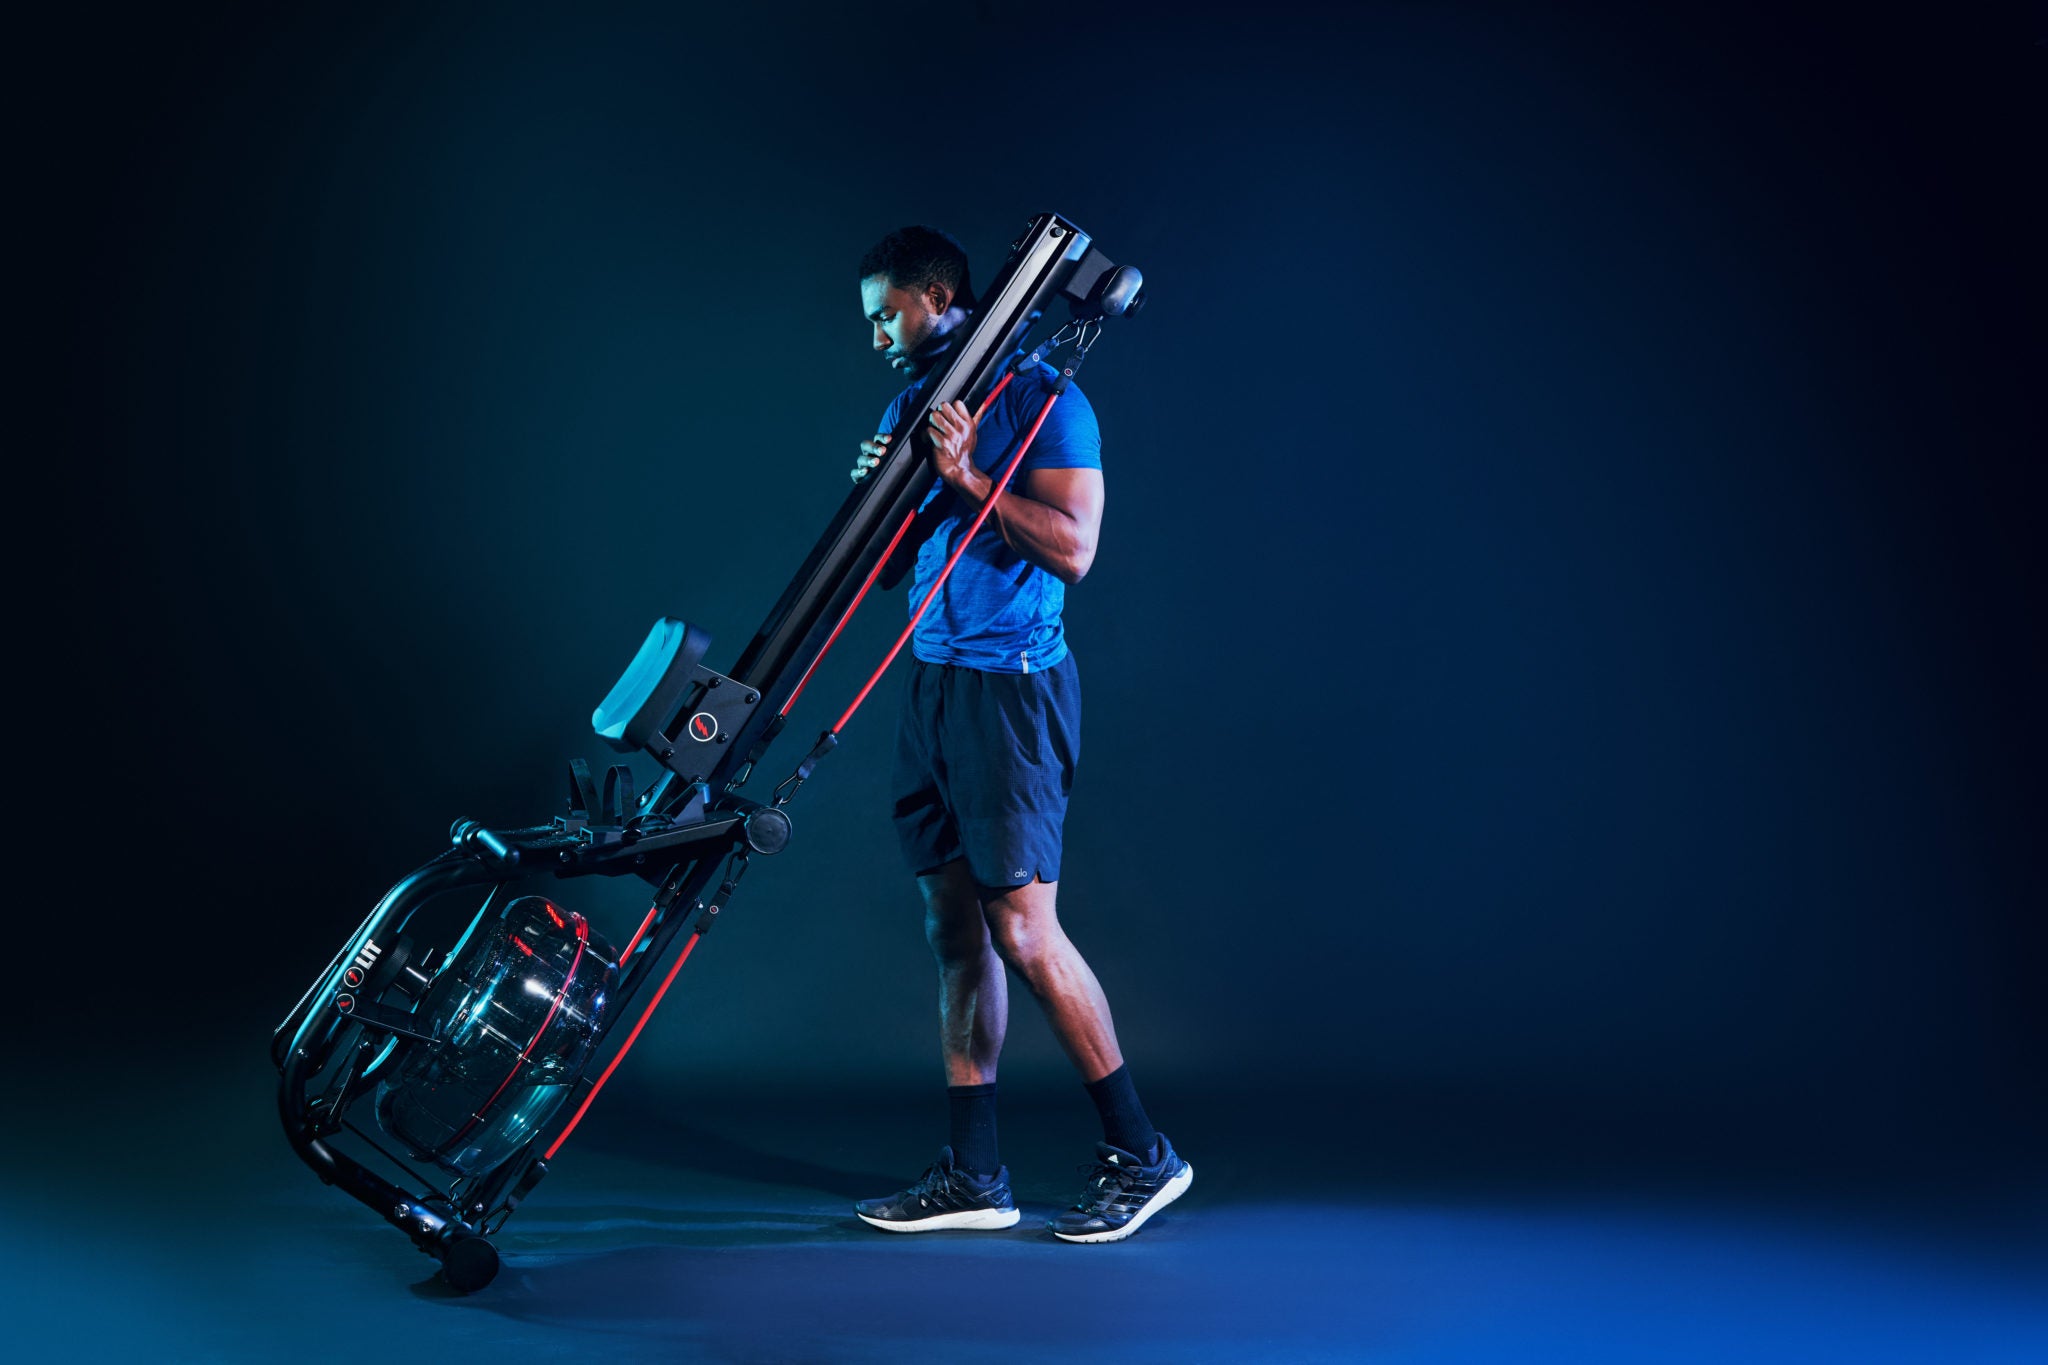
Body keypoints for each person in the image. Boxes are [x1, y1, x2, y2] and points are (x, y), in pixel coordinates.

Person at [844, 225, 1192, 1243]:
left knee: (1022, 931)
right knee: (954, 934)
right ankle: (975, 1175)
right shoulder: (915, 405)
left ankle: (1143, 1154)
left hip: (1011, 692)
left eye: (886, 315)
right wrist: (878, 492)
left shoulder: (1050, 403)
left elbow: (1074, 551)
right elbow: (879, 574)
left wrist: (960, 482)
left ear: (938, 297)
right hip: (935, 683)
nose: (876, 338)